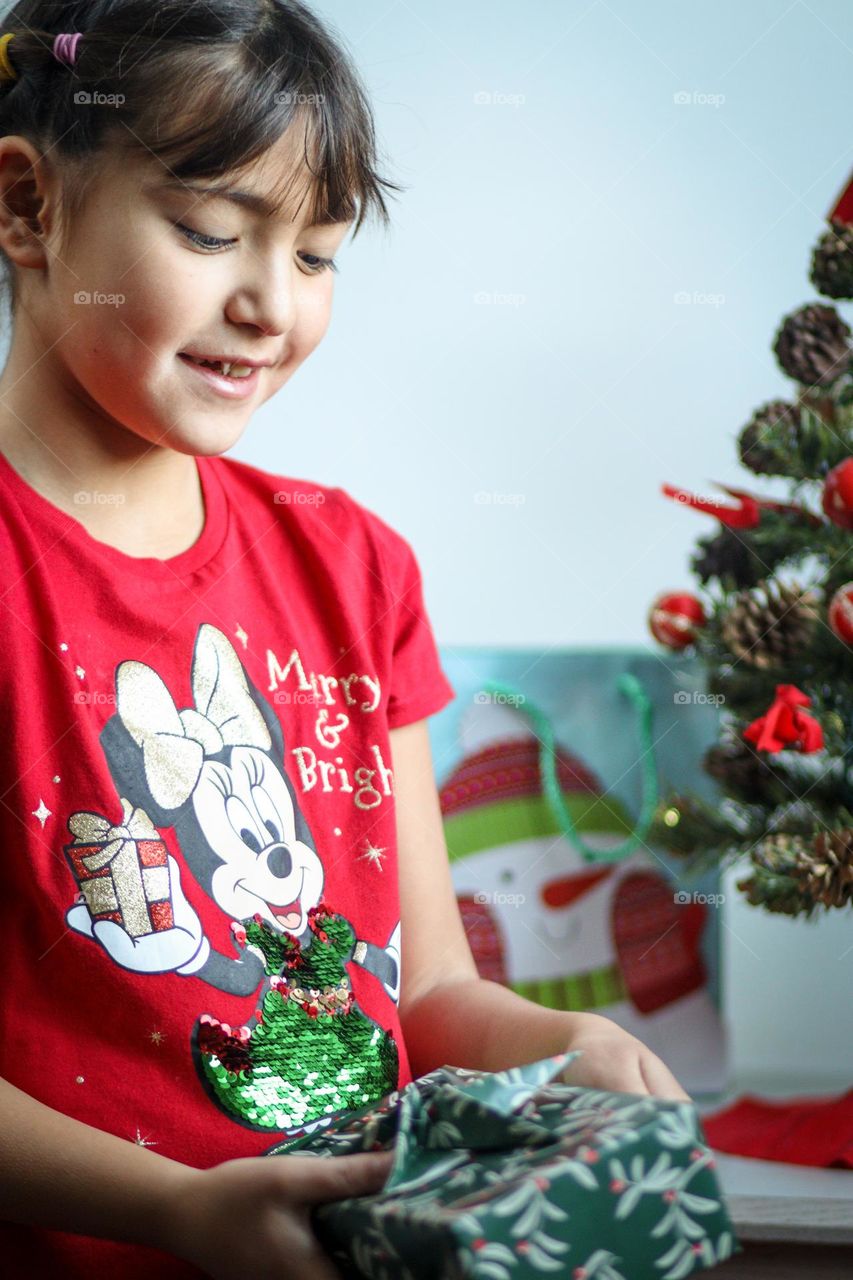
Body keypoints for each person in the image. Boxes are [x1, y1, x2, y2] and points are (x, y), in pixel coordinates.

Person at [0, 2, 690, 1276]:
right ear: (31, 208)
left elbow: (424, 993)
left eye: (316, 256)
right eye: (213, 233)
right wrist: (177, 1210)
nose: (271, 304)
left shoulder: (353, 567)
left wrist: (558, 1039)